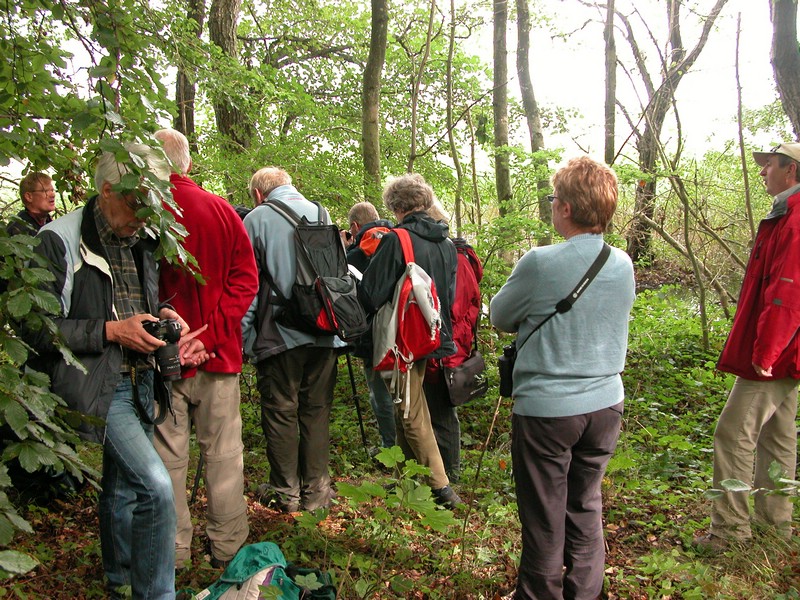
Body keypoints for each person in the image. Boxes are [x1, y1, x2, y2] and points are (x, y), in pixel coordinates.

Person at [22, 144, 189, 599]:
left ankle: (119, 579)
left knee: (122, 487)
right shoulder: (58, 240)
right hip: (102, 383)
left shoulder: (142, 237)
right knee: (155, 488)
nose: (143, 215)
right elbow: (36, 328)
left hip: (142, 378)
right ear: (107, 189)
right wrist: (113, 331)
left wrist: (167, 318)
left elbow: (144, 302)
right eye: (137, 203)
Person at [490, 156, 634, 600]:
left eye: (554, 199)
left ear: (567, 208)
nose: (551, 206)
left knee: (543, 517)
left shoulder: (540, 262)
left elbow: (499, 316)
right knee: (585, 507)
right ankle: (585, 594)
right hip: (605, 405)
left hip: (549, 410)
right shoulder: (622, 262)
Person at [152, 128, 258, 570]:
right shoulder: (220, 210)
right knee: (225, 457)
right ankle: (228, 552)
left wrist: (181, 335)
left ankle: (172, 553)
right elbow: (246, 281)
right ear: (188, 163)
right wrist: (210, 336)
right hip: (219, 356)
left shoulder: (146, 213)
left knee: (168, 459)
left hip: (162, 356)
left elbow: (135, 290)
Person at [694, 142, 800, 550]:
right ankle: (777, 530)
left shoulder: (794, 220)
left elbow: (787, 293)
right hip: (787, 352)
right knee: (777, 435)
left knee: (733, 432)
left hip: (777, 352)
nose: (762, 172)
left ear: (790, 171)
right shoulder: (785, 213)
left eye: (769, 165)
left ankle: (730, 533)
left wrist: (765, 353)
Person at [358, 173, 462, 508]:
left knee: (409, 409)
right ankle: (404, 478)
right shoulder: (446, 243)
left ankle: (441, 486)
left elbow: (371, 293)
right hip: (431, 334)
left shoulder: (396, 239)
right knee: (407, 402)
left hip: (401, 338)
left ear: (396, 206)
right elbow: (446, 293)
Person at [241, 167, 340, 513]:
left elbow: (248, 287)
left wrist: (241, 337)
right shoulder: (322, 213)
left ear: (258, 193)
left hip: (280, 332)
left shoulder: (256, 219)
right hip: (326, 329)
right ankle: (317, 494)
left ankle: (285, 493)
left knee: (282, 410)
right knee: (317, 411)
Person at [423, 201, 483, 484]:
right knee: (435, 412)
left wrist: (443, 354)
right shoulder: (456, 256)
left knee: (443, 416)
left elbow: (454, 312)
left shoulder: (456, 259)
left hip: (447, 349)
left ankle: (451, 476)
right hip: (448, 346)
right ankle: (438, 473)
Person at [344, 201, 396, 450]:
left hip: (371, 334)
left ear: (355, 226)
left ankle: (389, 446)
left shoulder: (355, 255)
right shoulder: (397, 241)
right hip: (403, 330)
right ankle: (407, 447)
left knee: (380, 393)